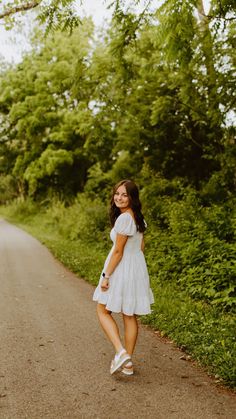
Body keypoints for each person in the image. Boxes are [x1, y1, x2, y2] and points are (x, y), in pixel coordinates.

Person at [93, 179, 154, 375]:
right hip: (136, 268)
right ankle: (127, 363)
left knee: (102, 310)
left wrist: (106, 275)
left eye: (124, 194)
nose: (119, 197)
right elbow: (141, 247)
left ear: (132, 197)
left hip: (121, 268)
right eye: (117, 193)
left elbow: (118, 251)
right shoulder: (138, 218)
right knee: (129, 314)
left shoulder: (124, 219)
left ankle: (121, 352)